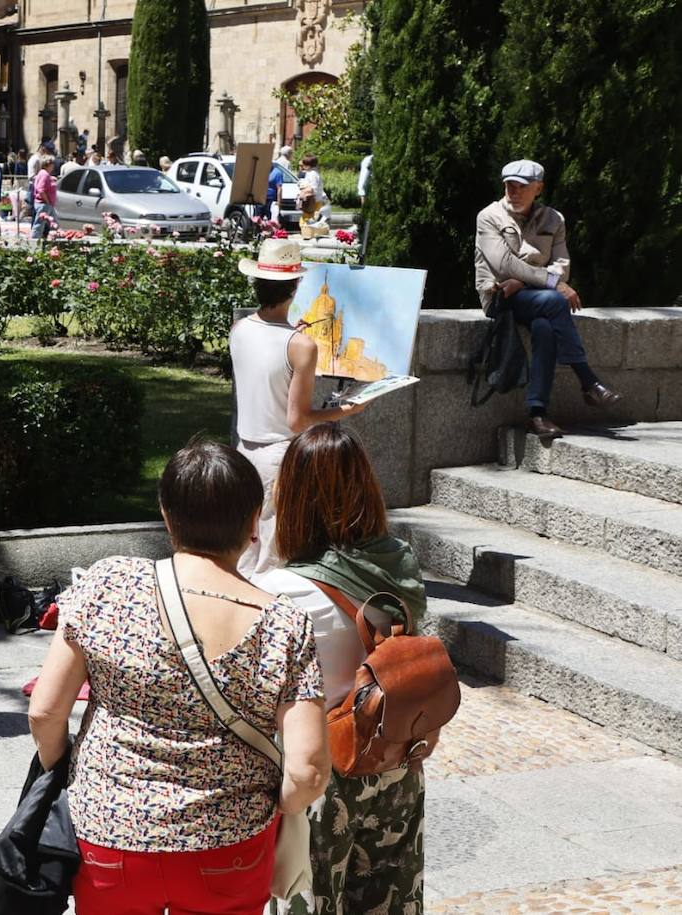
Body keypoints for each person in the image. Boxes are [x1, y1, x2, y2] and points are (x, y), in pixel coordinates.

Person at [28, 438, 329, 915]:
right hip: (227, 845)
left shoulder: (106, 584)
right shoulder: (284, 624)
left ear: (167, 517)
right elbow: (308, 770)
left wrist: (65, 772)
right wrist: (278, 810)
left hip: (111, 831)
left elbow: (45, 711)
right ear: (254, 523)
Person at [254, 423, 431, 915]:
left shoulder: (277, 591)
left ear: (291, 498)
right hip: (394, 762)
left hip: (318, 773)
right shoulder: (398, 569)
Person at [231, 239, 366, 577]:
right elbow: (297, 420)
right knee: (272, 559)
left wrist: (293, 335)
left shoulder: (240, 329)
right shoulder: (301, 346)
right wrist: (345, 410)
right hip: (279, 456)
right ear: (294, 288)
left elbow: (268, 361)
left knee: (245, 551)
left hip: (243, 450)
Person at [473, 159, 620, 440]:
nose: (513, 192)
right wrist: (552, 282)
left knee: (544, 327)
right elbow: (503, 265)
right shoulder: (488, 217)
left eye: (521, 187)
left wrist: (527, 279)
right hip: (500, 297)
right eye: (508, 186)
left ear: (538, 188)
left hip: (532, 296)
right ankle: (588, 381)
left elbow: (562, 266)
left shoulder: (554, 219)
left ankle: (537, 414)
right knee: (555, 301)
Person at [298, 154, 331, 226]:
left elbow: (313, 188)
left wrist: (303, 192)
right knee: (307, 220)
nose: (303, 166)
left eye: (304, 164)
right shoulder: (309, 173)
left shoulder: (313, 174)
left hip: (314, 202)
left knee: (308, 221)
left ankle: (309, 234)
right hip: (311, 201)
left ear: (308, 165)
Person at [31, 158, 57, 240]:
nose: (53, 167)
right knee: (39, 224)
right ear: (48, 165)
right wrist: (47, 201)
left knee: (54, 223)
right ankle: (34, 241)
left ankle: (52, 239)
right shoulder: (44, 174)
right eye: (52, 165)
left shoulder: (43, 174)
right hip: (44, 204)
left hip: (47, 204)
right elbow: (41, 189)